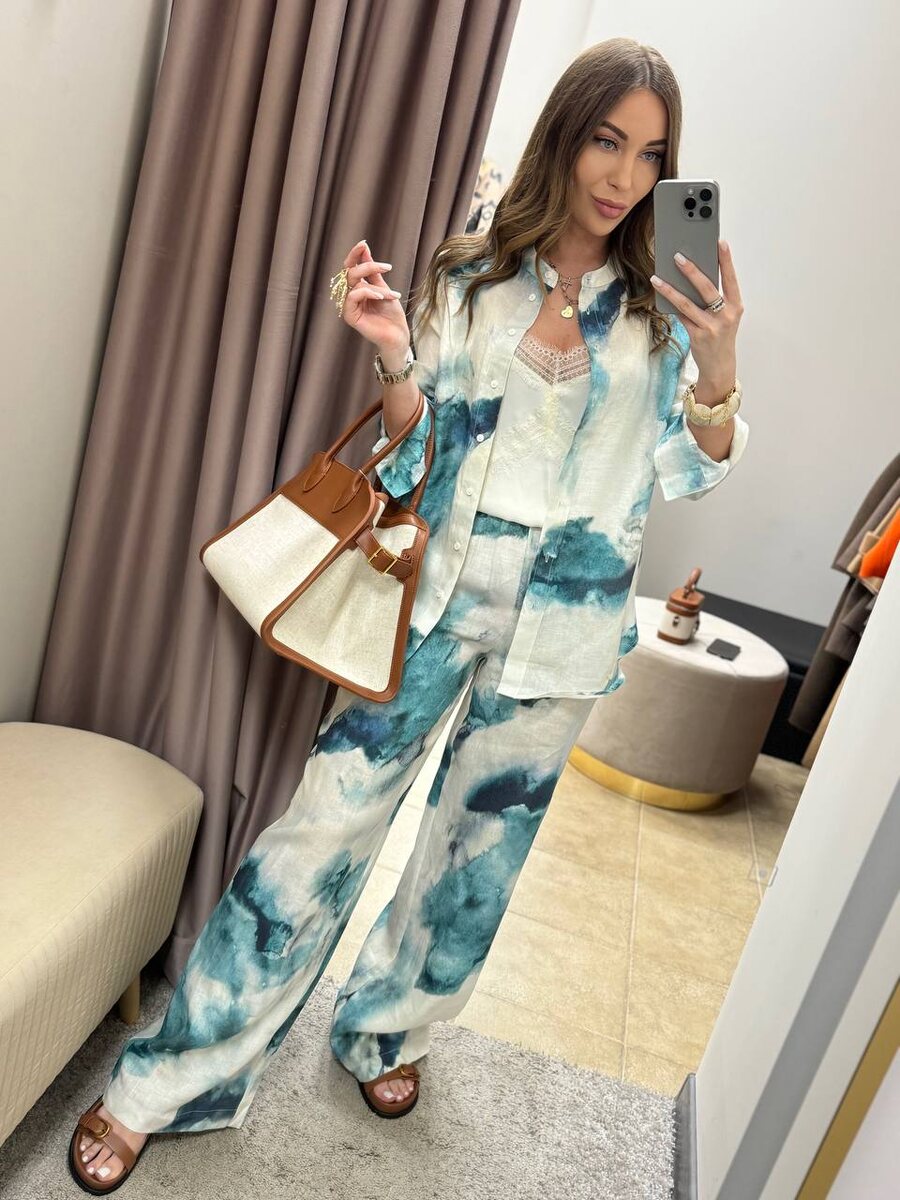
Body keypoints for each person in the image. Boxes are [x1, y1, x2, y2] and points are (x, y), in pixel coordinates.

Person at [68, 34, 749, 1192]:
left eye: (651, 154)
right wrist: (393, 359)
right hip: (431, 603)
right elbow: (411, 454)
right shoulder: (472, 275)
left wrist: (721, 367)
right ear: (564, 134)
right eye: (606, 139)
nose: (625, 176)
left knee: (472, 866)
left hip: (565, 631)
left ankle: (386, 1031)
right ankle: (167, 1080)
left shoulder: (663, 313)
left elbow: (694, 468)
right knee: (314, 838)